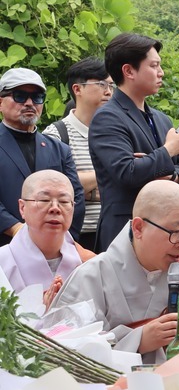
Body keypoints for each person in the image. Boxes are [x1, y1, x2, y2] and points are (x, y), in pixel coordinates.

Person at [48, 180, 179, 377]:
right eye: (176, 232)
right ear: (138, 228)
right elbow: (62, 355)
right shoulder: (92, 276)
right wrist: (138, 340)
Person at [89, 34, 179, 250]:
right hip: (124, 229)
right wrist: (168, 151)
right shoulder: (107, 117)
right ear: (128, 71)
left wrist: (172, 176)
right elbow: (127, 172)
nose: (161, 72)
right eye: (154, 65)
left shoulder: (160, 118)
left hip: (166, 230)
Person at [0, 68, 84, 246]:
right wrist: (17, 229)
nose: (29, 103)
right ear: (1, 101)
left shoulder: (59, 149)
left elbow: (75, 197)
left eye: (37, 97)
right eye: (20, 96)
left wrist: (62, 239)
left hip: (54, 248)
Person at [43, 57, 112, 248]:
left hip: (113, 232)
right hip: (74, 235)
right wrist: (109, 175)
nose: (108, 91)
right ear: (77, 89)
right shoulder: (55, 134)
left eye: (112, 85)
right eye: (101, 84)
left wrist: (84, 187)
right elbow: (55, 186)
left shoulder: (116, 133)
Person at [0, 171, 94, 303]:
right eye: (44, 200)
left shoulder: (88, 263)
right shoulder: (3, 263)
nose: (55, 208)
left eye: (64, 201)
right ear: (22, 208)